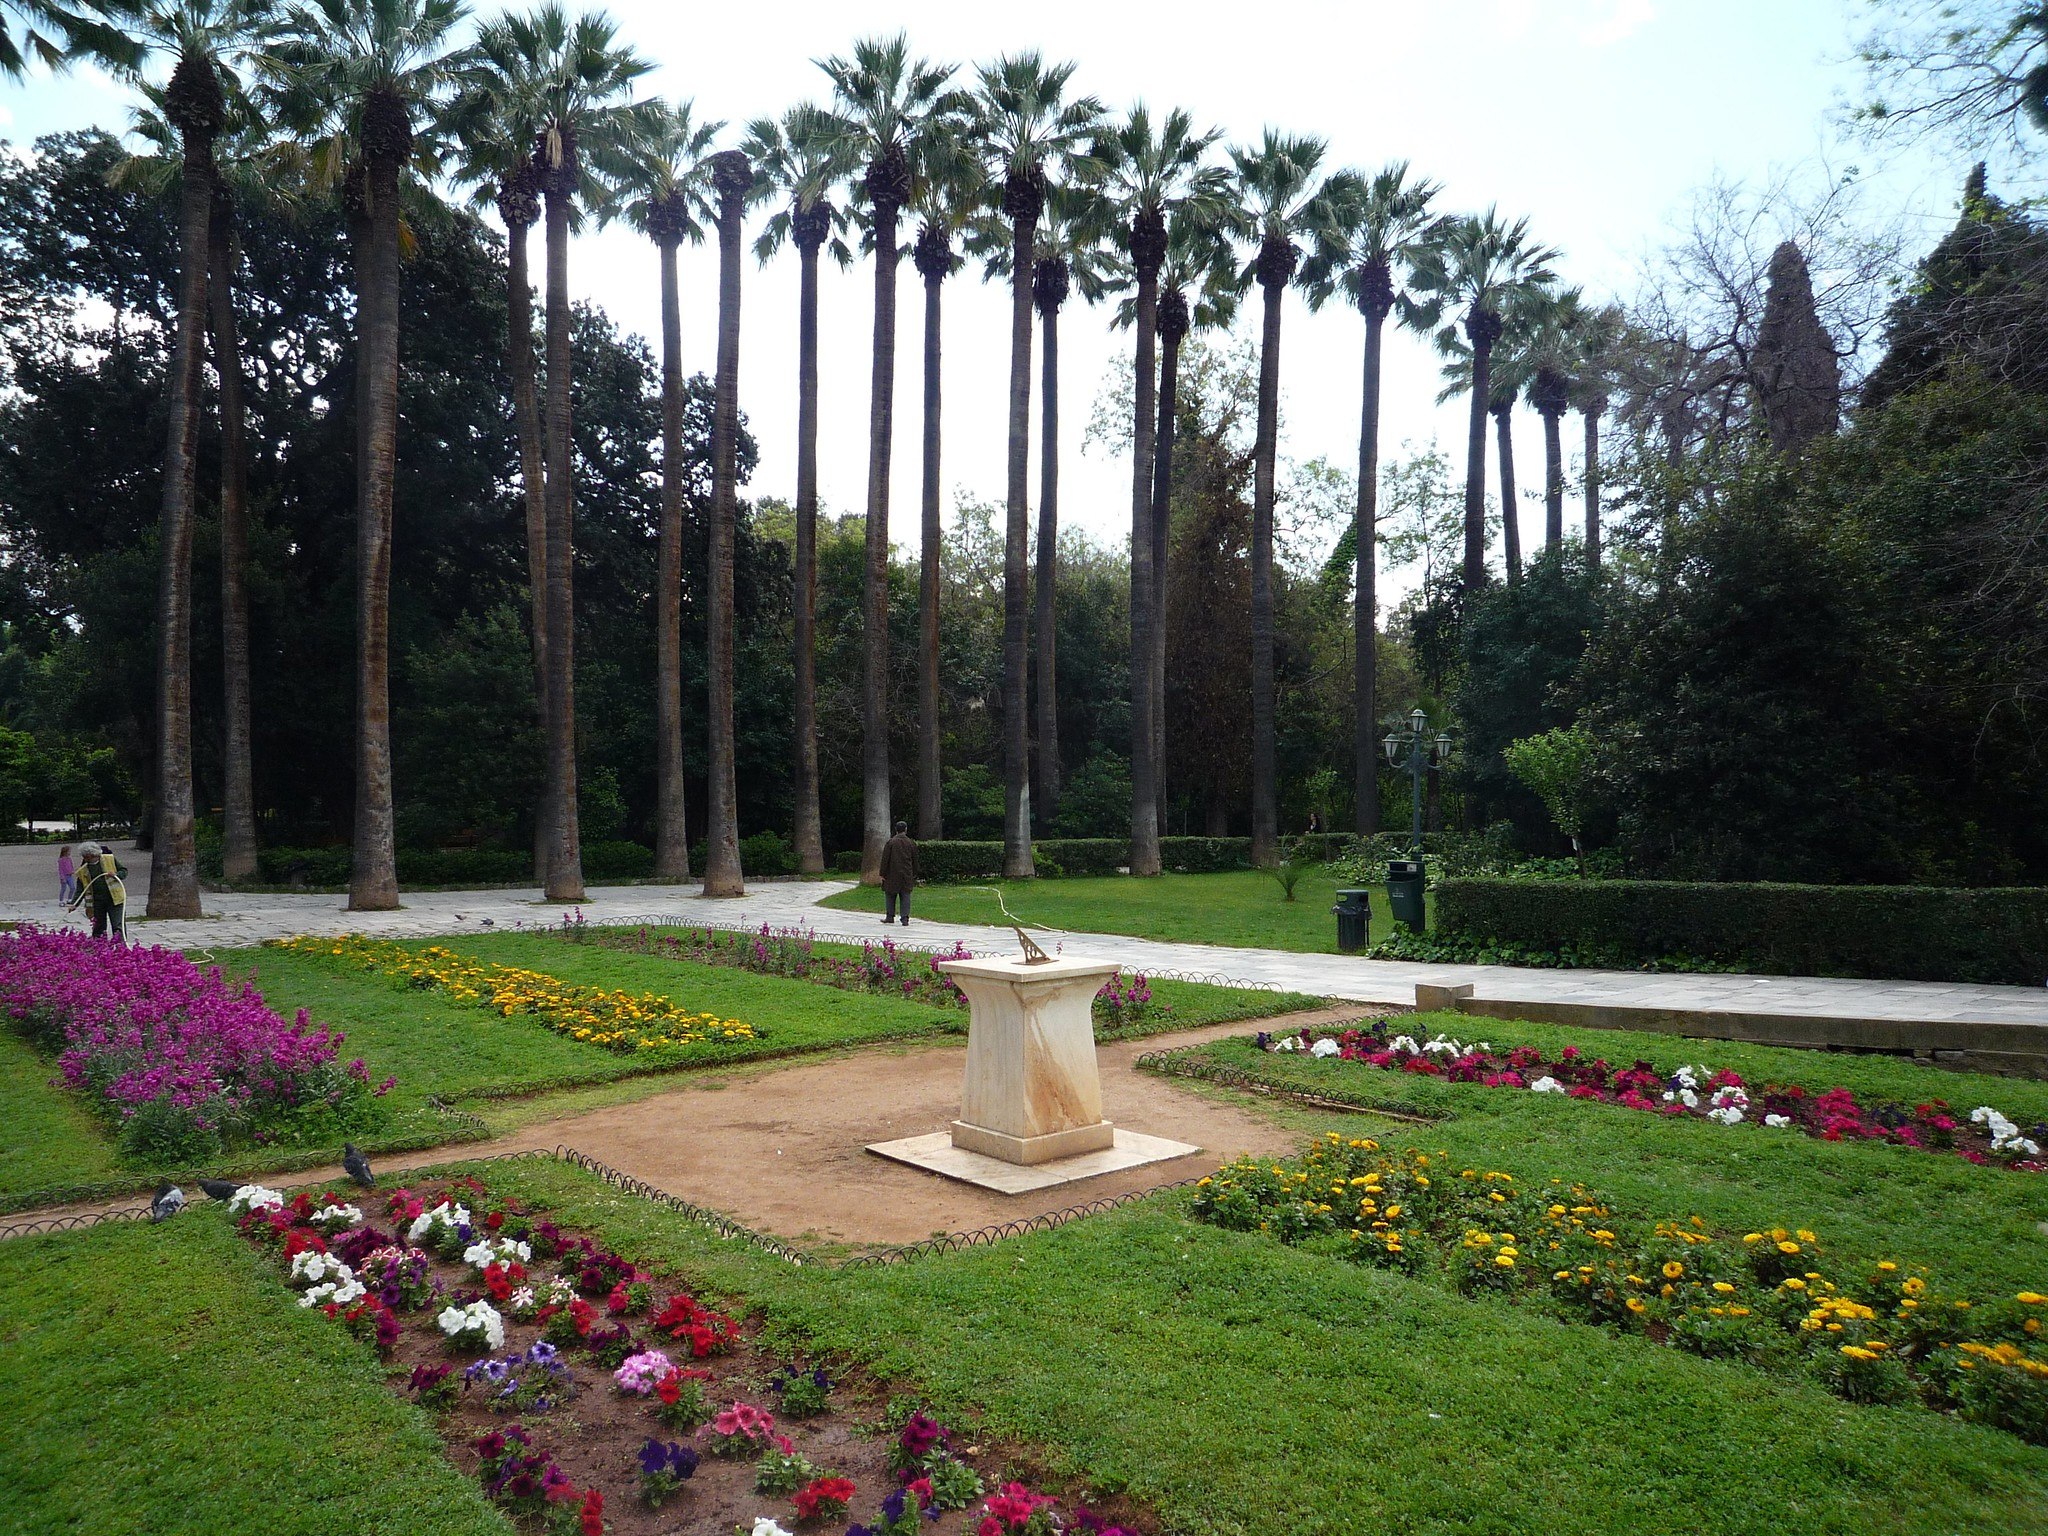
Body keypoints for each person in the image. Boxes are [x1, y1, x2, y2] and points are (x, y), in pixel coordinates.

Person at [66, 841, 127, 944]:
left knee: (118, 925)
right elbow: (81, 889)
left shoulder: (109, 859)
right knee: (98, 926)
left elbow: (124, 871)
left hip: (115, 899)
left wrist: (116, 874)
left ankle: (121, 947)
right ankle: (99, 946)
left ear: (95, 855)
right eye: (84, 857)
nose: (86, 859)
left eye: (88, 857)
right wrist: (74, 903)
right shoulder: (83, 869)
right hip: (97, 902)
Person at [879, 820, 917, 927]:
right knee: (905, 895)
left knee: (890, 894)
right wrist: (914, 872)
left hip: (892, 874)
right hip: (906, 874)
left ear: (896, 830)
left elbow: (885, 859)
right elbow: (915, 860)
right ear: (905, 830)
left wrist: (882, 873)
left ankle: (890, 916)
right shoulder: (911, 843)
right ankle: (905, 918)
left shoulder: (891, 842)